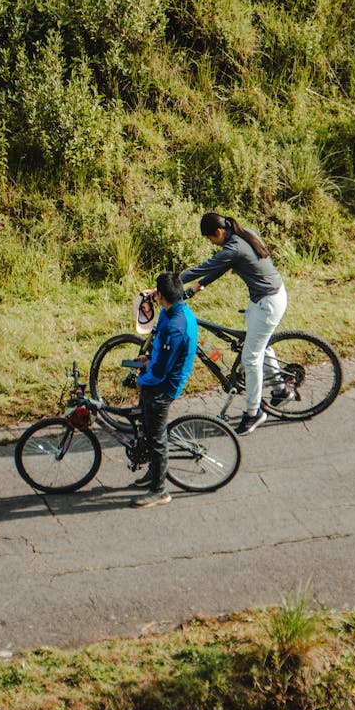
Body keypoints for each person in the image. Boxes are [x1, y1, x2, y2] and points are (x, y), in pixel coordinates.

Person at [180, 212, 287, 435]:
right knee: (259, 345)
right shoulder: (243, 234)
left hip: (267, 303)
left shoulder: (234, 247)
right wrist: (200, 286)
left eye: (210, 238)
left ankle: (253, 412)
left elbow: (206, 266)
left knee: (251, 357)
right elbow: (222, 266)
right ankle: (281, 391)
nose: (211, 242)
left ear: (218, 233)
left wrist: (169, 283)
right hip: (270, 296)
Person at [130, 271, 198, 509]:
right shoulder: (174, 309)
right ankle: (153, 472)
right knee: (147, 429)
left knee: (157, 439)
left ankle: (159, 491)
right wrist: (148, 357)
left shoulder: (175, 327)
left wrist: (142, 379)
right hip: (162, 371)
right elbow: (160, 357)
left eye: (156, 292)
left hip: (163, 386)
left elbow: (159, 373)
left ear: (161, 295)